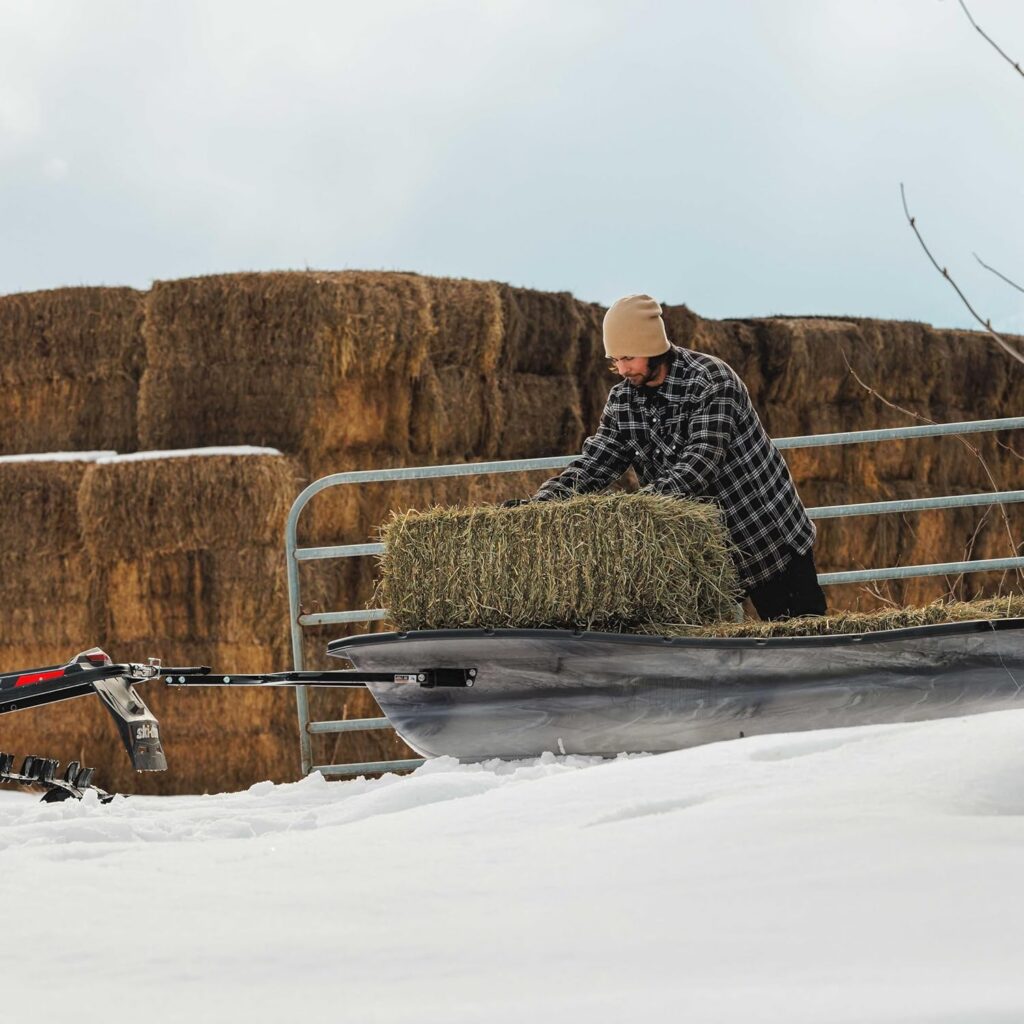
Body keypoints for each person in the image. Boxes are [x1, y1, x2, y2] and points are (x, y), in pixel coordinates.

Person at [509, 293, 826, 621]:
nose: (622, 369)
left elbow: (699, 462)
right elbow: (594, 464)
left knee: (795, 633)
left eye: (629, 357)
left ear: (653, 347)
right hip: (705, 555)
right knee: (709, 646)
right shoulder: (622, 401)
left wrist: (634, 511)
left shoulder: (710, 381)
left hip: (762, 533)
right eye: (615, 359)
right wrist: (539, 506)